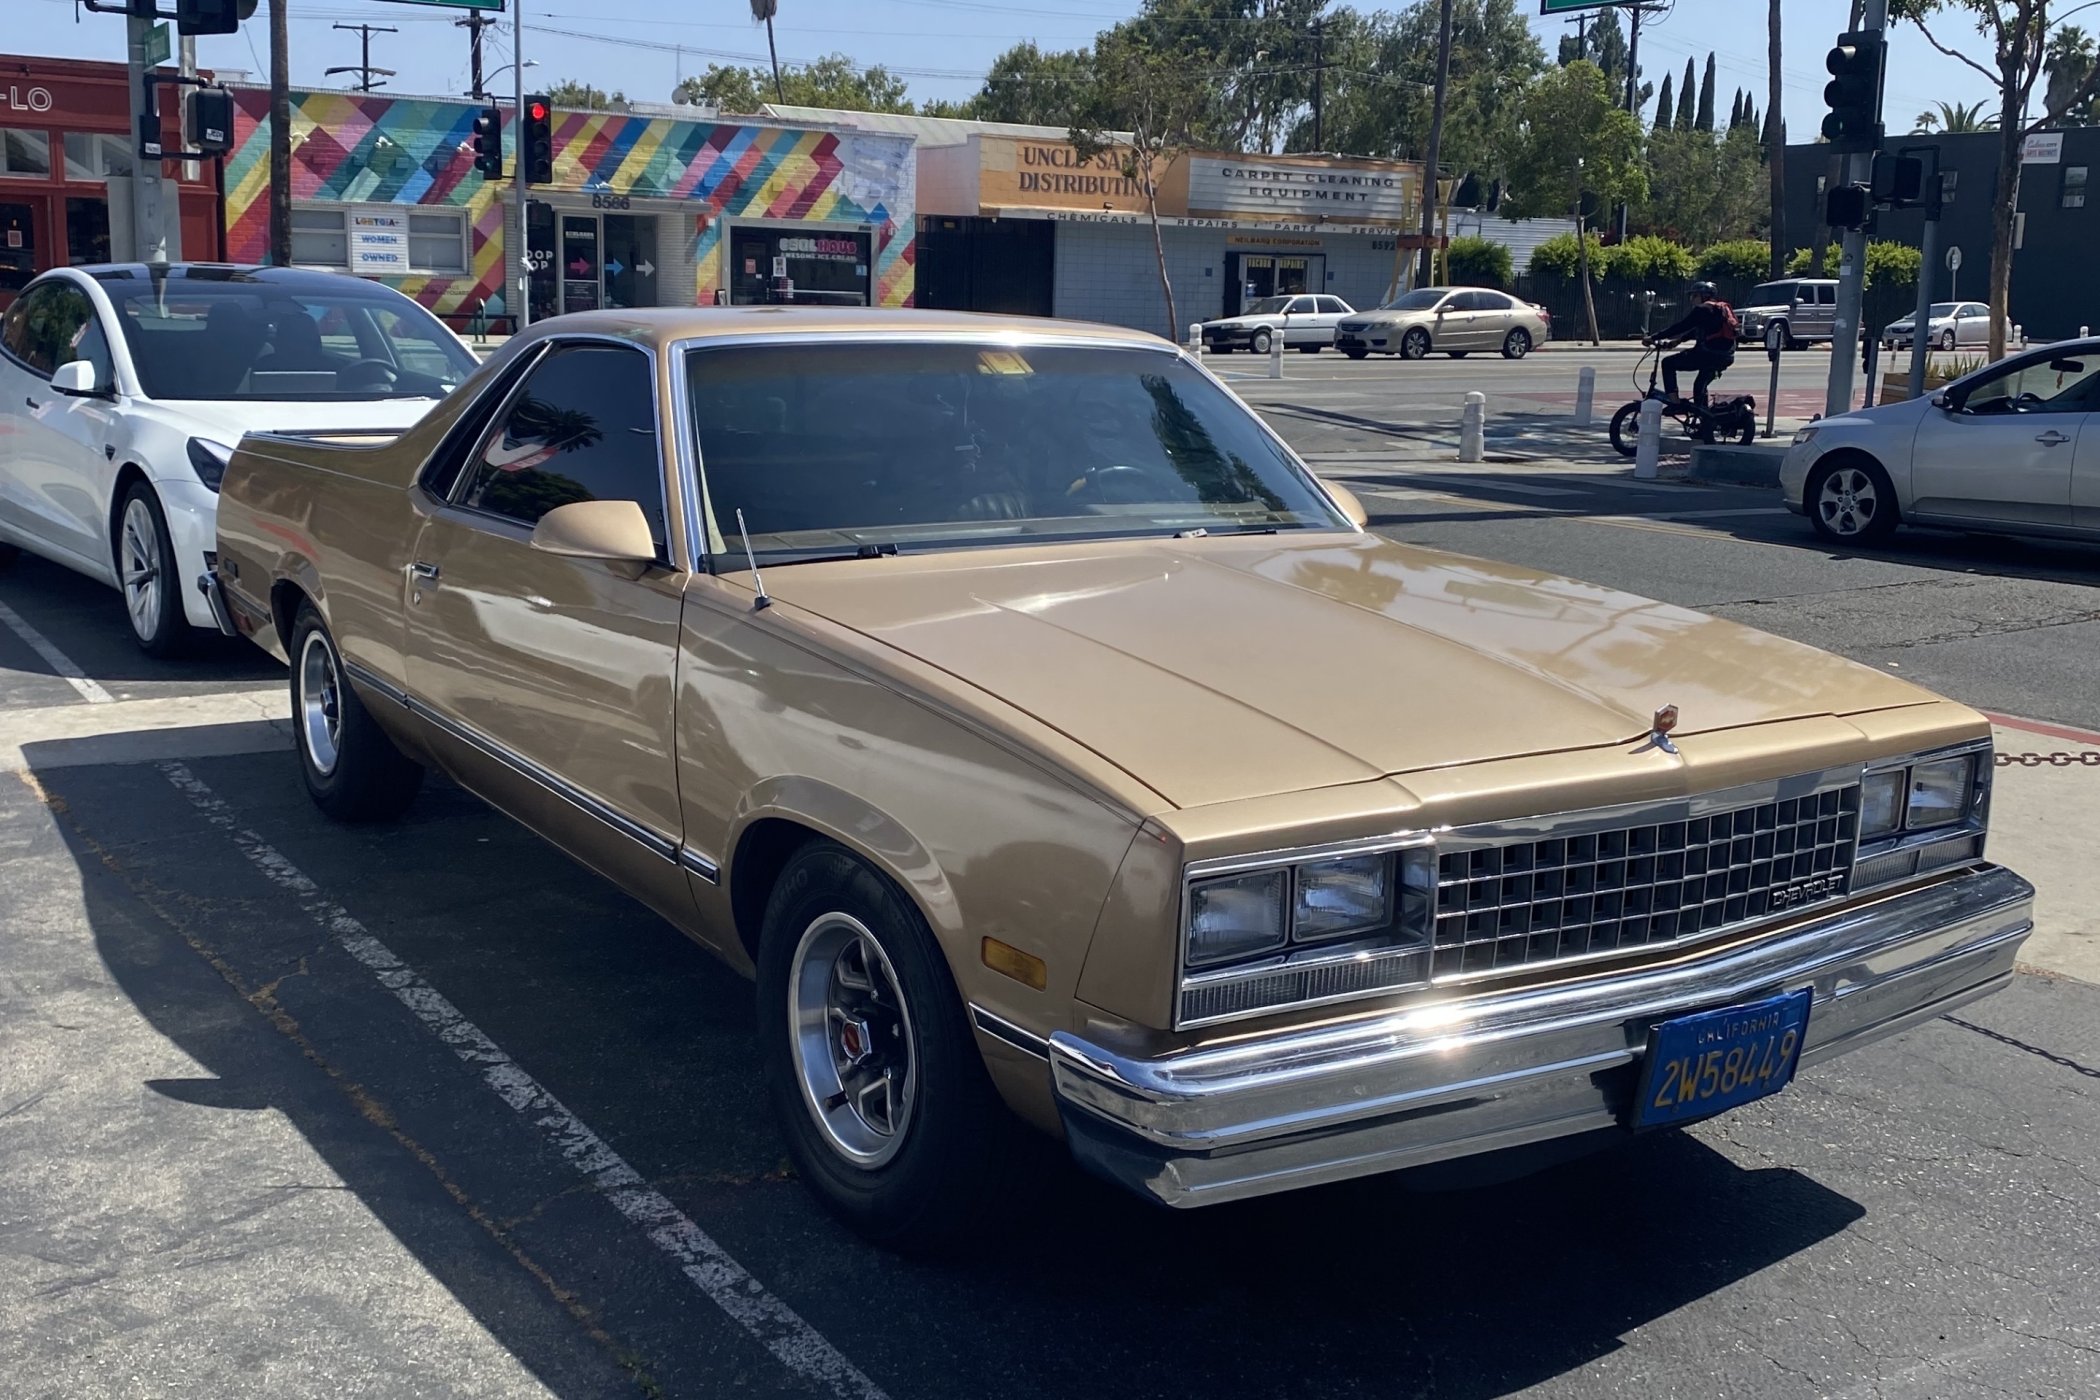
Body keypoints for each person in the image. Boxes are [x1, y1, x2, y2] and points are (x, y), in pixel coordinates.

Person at [1645, 282, 1738, 408]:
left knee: (1668, 363)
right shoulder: (1718, 310)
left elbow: (1682, 326)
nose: (1692, 299)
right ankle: (1704, 419)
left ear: (1704, 296)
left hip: (1708, 354)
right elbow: (1698, 330)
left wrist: (1654, 337)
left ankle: (1674, 402)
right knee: (1700, 385)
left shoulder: (1702, 309)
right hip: (1726, 356)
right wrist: (1678, 341)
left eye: (1694, 295)